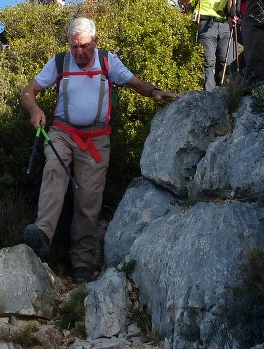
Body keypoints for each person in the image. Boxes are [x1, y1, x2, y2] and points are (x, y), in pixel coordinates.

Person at [20, 17, 179, 283]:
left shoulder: (108, 61)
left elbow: (134, 83)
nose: (79, 52)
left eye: (84, 46)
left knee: (89, 200)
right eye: (74, 47)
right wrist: (35, 109)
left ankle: (81, 263)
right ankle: (42, 236)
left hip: (96, 138)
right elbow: (29, 92)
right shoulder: (60, 62)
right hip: (62, 131)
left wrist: (154, 92)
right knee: (54, 169)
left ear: (95, 41)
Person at [179, 0, 233, 91]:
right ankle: (208, 94)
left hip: (225, 25)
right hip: (205, 24)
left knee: (226, 60)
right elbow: (183, 0)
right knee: (207, 61)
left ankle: (225, 92)